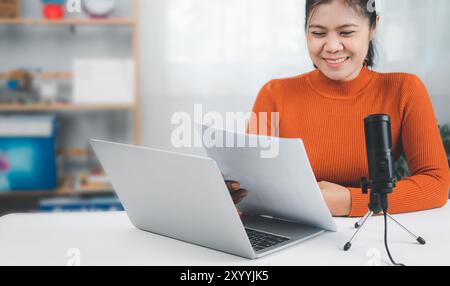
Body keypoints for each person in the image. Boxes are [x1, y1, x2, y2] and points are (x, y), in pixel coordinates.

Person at [226, 0, 449, 217]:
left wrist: (351, 202)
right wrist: (233, 190)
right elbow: (253, 183)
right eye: (319, 33)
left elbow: (436, 183)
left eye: (346, 32)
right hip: (295, 238)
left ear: (373, 27)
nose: (332, 47)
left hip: (371, 237)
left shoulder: (405, 90)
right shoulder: (274, 94)